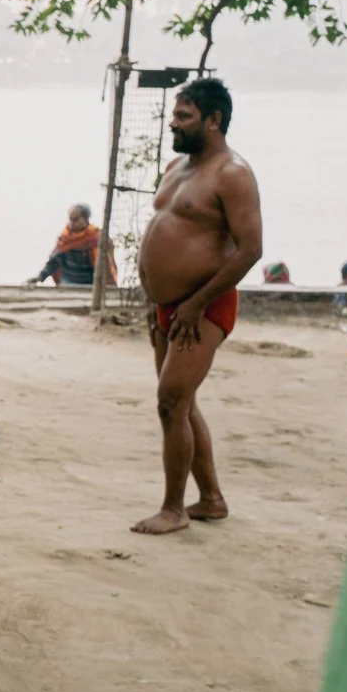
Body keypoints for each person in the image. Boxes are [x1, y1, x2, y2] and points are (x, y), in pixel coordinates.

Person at [133, 77, 263, 536]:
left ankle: (174, 509)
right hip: (168, 308)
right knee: (181, 404)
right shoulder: (177, 166)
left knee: (171, 402)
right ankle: (210, 499)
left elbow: (250, 250)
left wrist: (194, 304)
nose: (173, 123)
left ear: (214, 120)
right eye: (175, 114)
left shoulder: (233, 174)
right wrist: (160, 300)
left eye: (184, 116)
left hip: (203, 306)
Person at [28, 203, 118, 286]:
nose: (71, 223)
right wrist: (40, 277)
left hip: (90, 285)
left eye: (75, 220)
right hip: (67, 284)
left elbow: (105, 266)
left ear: (85, 219)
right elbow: (53, 263)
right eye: (70, 219)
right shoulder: (65, 239)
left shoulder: (97, 238)